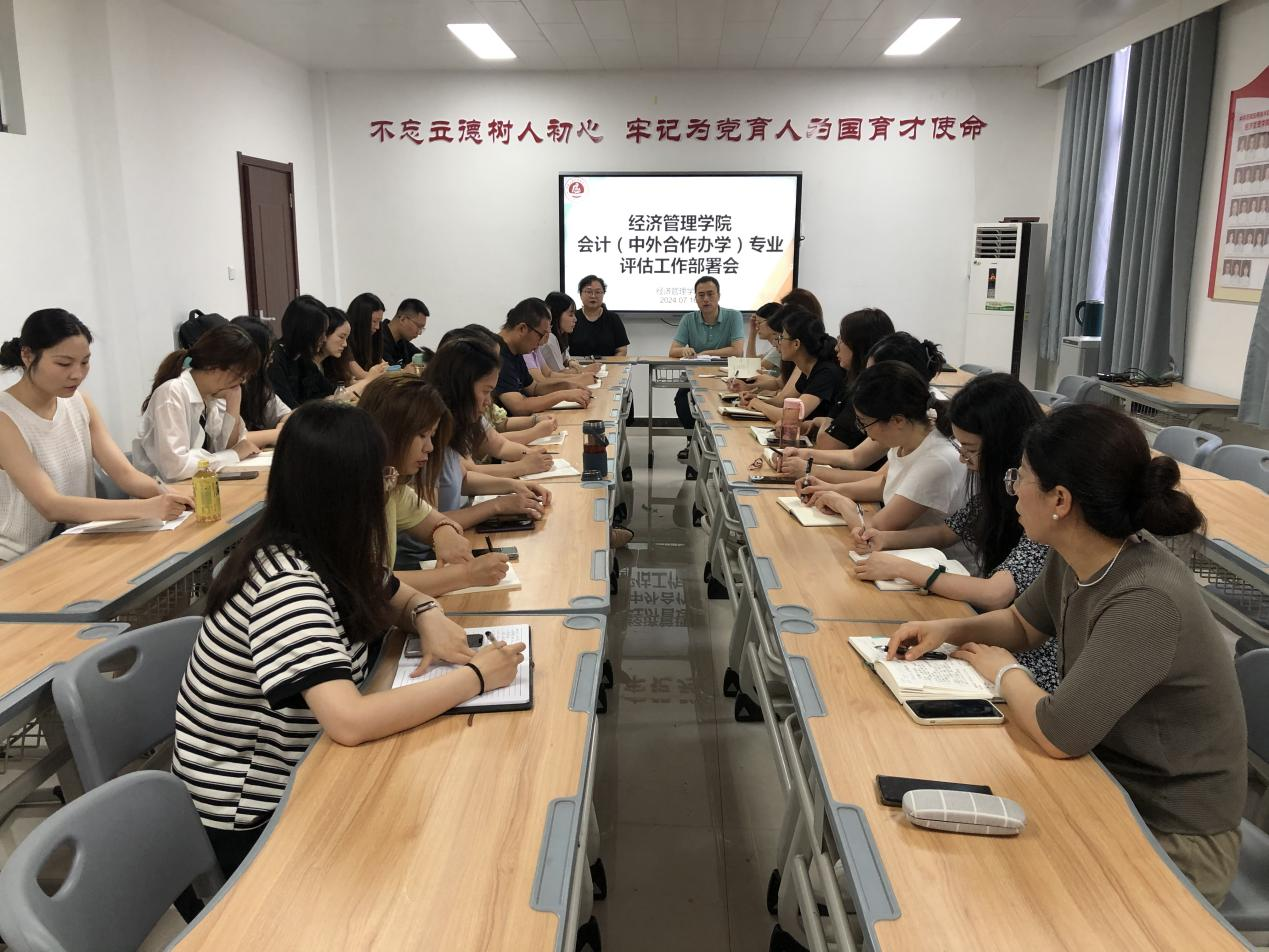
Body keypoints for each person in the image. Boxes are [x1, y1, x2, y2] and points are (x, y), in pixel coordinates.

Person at [887, 404, 1246, 905]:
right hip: (1105, 780)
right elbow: (1022, 623)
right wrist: (950, 628)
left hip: (1174, 831)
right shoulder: (1080, 553)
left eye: (1021, 477)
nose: (1012, 489)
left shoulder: (1146, 598)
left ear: (1060, 499)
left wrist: (1004, 671)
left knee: (998, 890)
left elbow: (1060, 733)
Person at [171, 400, 526, 893]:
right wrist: (477, 677)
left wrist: (425, 613)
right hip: (253, 810)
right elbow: (350, 721)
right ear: (344, 492)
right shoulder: (284, 584)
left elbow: (394, 593)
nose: (389, 487)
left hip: (310, 762)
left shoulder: (328, 547)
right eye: (381, 477)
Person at [850, 374, 1057, 690]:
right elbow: (949, 530)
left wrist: (903, 568)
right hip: (999, 634)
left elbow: (997, 593)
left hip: (1017, 655)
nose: (963, 458)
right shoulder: (998, 486)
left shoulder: (1039, 507)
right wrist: (887, 540)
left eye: (970, 449)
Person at [0, 309, 193, 561]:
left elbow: (125, 475)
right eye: (63, 363)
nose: (77, 374)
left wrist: (168, 493)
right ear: (27, 356)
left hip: (75, 544)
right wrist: (146, 507)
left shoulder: (80, 403)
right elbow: (51, 505)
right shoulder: (6, 417)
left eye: (84, 362)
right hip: (18, 558)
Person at [357, 373, 513, 593]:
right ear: (389, 431)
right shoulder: (353, 494)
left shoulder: (392, 485)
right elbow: (370, 585)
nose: (429, 447)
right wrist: (467, 575)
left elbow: (435, 520)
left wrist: (442, 531)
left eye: (431, 436)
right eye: (422, 435)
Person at [804, 360, 965, 533]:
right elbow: (885, 484)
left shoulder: (936, 461)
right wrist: (829, 489)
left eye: (864, 423)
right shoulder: (909, 436)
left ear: (897, 420)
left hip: (924, 550)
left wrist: (840, 503)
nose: (865, 432)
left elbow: (878, 528)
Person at [133, 324, 262, 481]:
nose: (241, 382)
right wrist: (232, 454)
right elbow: (176, 468)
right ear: (213, 366)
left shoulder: (211, 396)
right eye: (240, 375)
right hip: (164, 490)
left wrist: (234, 402)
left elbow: (227, 449)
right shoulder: (172, 393)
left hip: (196, 485)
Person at [670, 276, 745, 472]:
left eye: (710, 294)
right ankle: (692, 442)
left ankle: (722, 445)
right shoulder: (689, 319)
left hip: (726, 378)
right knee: (682, 400)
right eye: (701, 295)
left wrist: (707, 353)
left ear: (719, 295)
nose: (706, 299)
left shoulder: (733, 316)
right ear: (695, 298)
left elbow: (737, 351)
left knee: (720, 405)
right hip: (695, 377)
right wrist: (685, 350)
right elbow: (673, 350)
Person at [741, 307, 844, 423]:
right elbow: (784, 404)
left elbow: (791, 417)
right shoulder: (808, 368)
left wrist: (758, 404)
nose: (778, 343)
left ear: (796, 344)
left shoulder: (825, 373)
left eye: (781, 337)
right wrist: (755, 400)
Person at [494, 298, 592, 417]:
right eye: (542, 335)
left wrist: (566, 386)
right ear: (522, 329)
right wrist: (563, 395)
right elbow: (519, 406)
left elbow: (533, 388)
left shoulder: (515, 350)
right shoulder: (496, 354)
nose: (542, 342)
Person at [229, 316, 290, 447]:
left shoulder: (258, 384)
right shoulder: (224, 387)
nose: (271, 359)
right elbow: (230, 441)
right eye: (268, 352)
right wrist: (277, 434)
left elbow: (287, 415)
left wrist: (281, 425)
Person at [570, 275, 629, 358]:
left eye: (598, 292)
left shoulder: (613, 318)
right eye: (589, 292)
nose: (593, 296)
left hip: (608, 366)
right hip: (577, 365)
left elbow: (621, 350)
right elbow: (564, 351)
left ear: (603, 294)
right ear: (580, 294)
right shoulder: (572, 318)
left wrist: (612, 364)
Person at [345, 291, 387, 379]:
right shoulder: (345, 342)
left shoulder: (373, 338)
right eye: (374, 321)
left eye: (379, 321)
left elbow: (385, 366)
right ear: (361, 319)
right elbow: (363, 376)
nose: (378, 327)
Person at [379, 298, 429, 367]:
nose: (419, 332)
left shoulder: (402, 341)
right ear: (403, 319)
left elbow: (425, 358)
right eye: (418, 326)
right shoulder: (377, 339)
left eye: (422, 328)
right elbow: (389, 370)